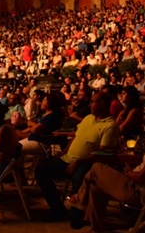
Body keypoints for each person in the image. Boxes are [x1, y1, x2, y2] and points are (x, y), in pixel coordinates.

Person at [35, 91, 120, 222]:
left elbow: (103, 153)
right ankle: (58, 210)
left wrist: (78, 162)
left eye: (93, 102)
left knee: (79, 176)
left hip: (88, 163)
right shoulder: (88, 118)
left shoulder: (110, 125)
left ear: (102, 104)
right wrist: (63, 153)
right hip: (68, 159)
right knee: (41, 171)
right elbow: (76, 137)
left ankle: (78, 213)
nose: (90, 105)